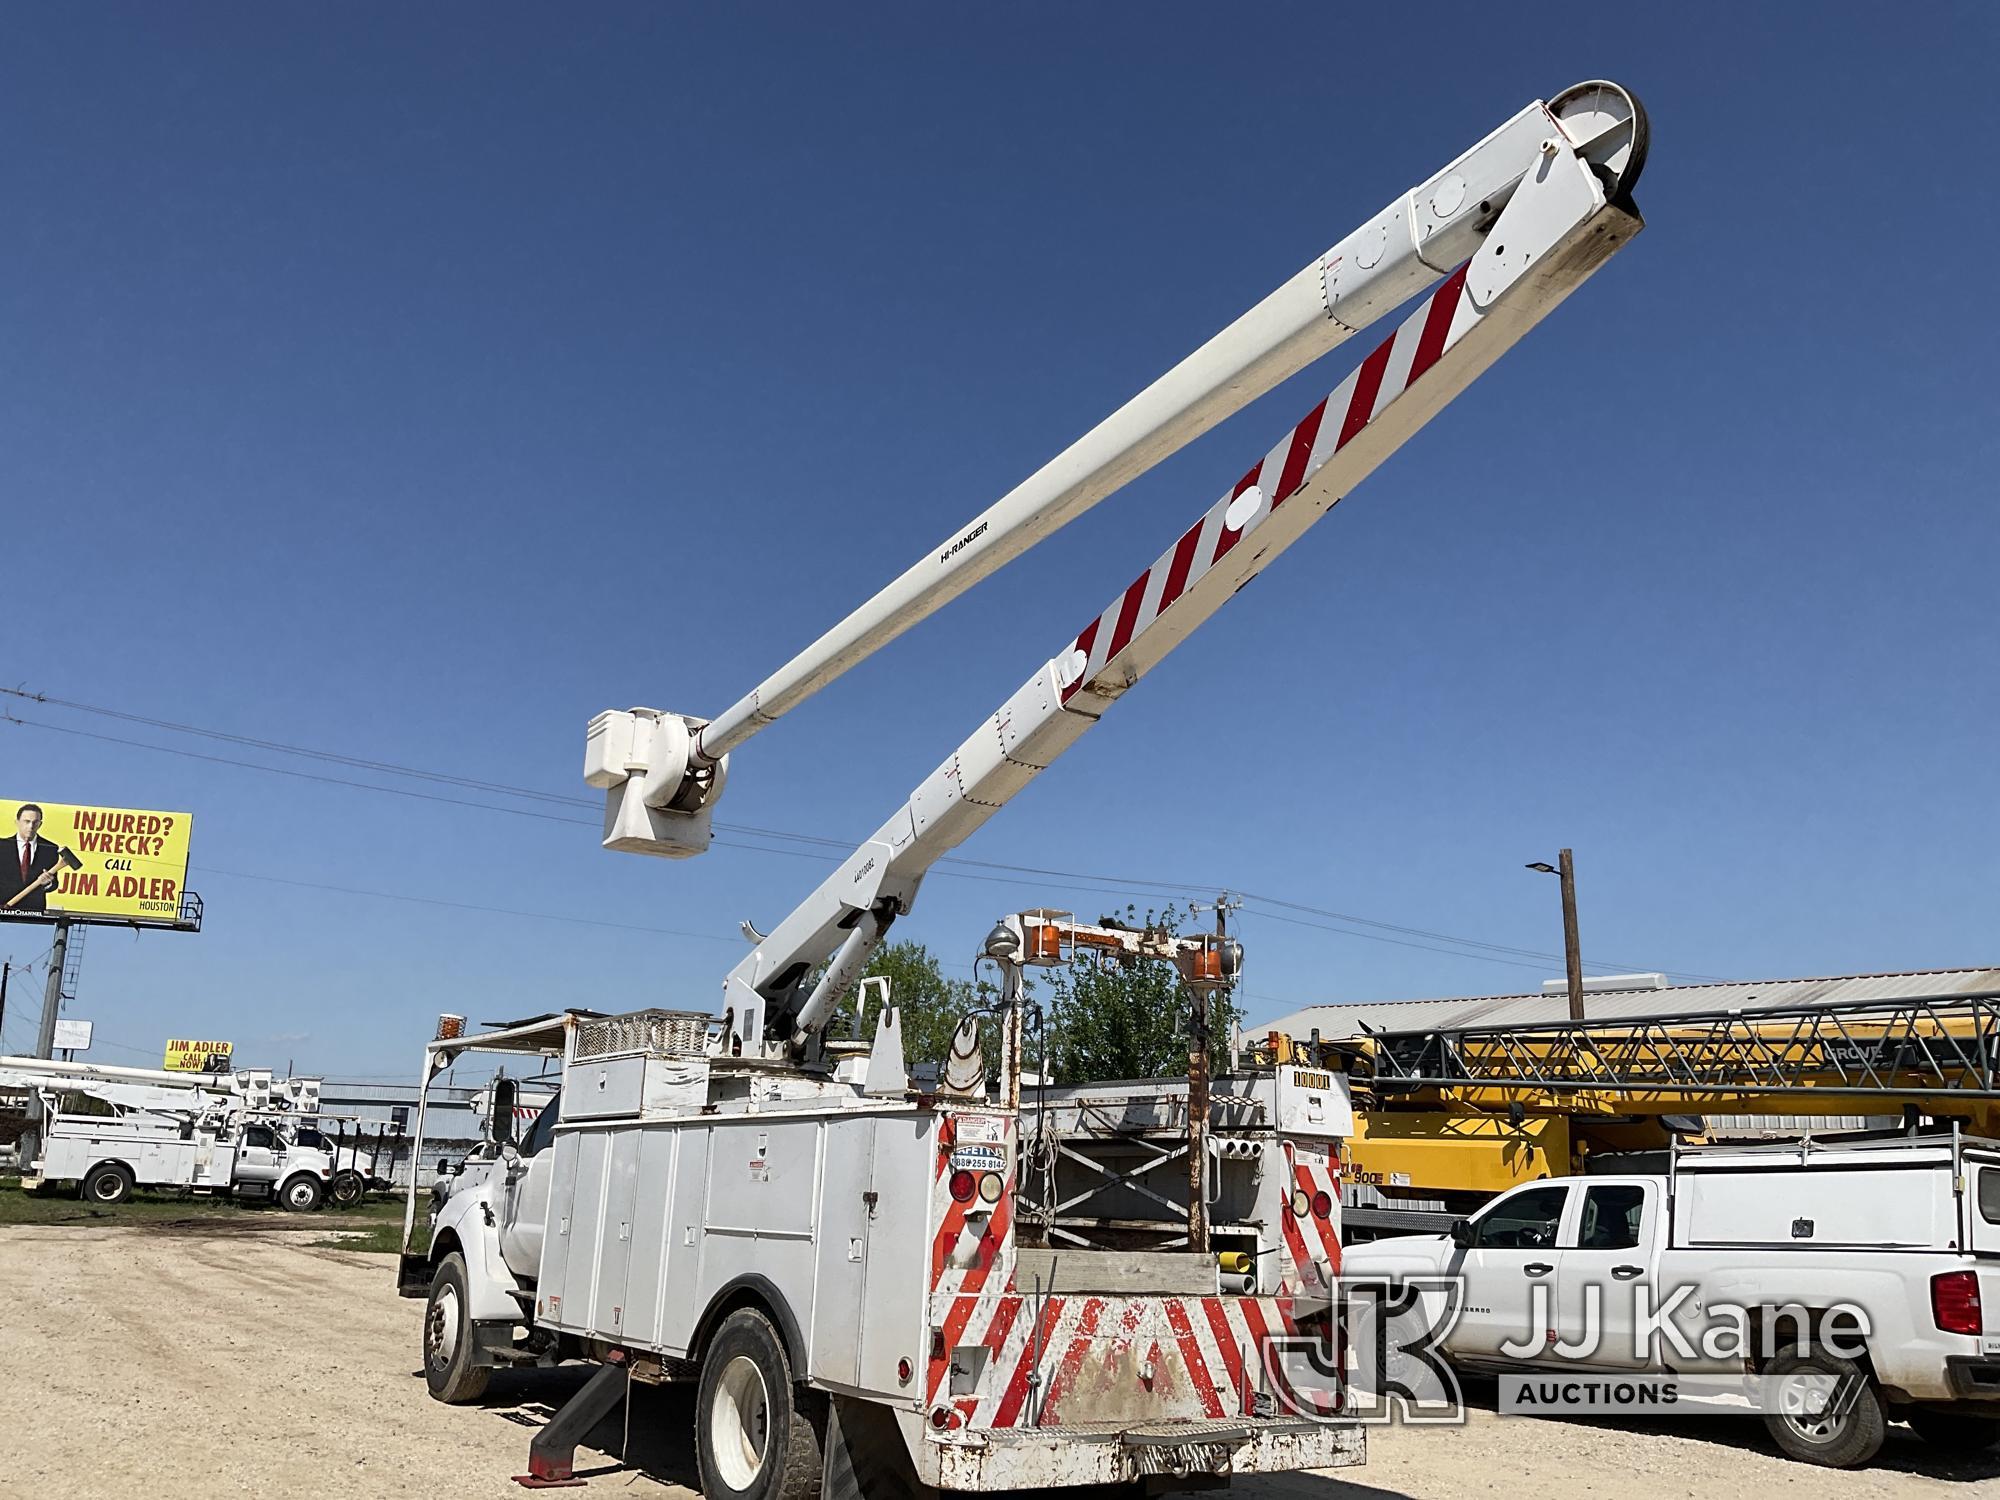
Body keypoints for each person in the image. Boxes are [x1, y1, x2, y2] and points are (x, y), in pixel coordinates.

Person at [2, 804, 64, 914]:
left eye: (35, 822)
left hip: (34, 912)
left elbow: (54, 885)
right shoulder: (2, 846)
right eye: (27, 821)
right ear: (17, 822)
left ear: (40, 824)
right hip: (3, 908)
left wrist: (47, 883)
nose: (31, 826)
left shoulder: (50, 849)